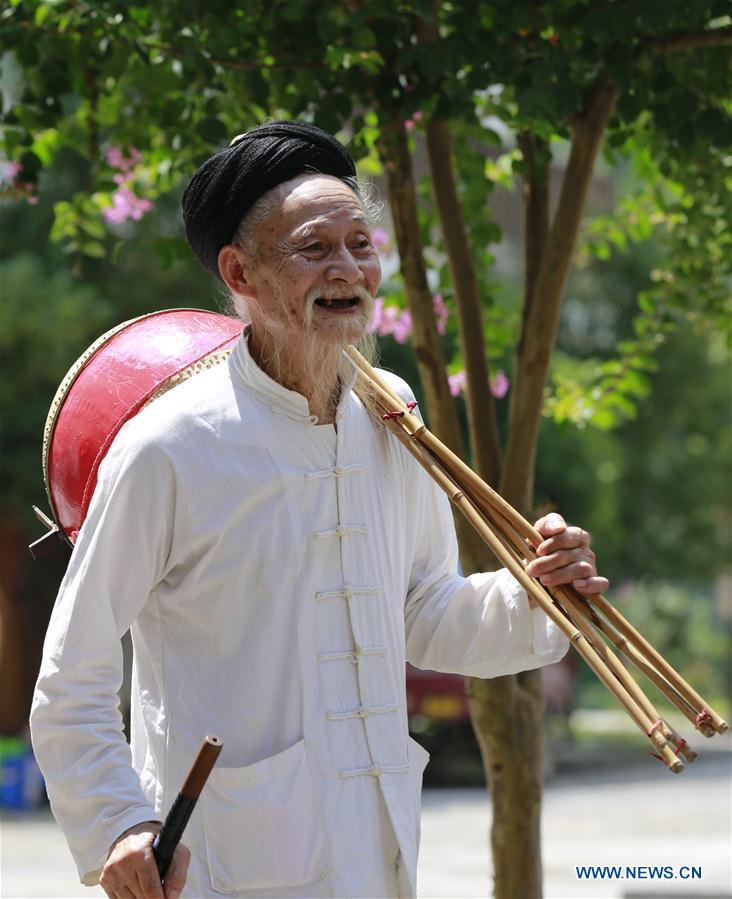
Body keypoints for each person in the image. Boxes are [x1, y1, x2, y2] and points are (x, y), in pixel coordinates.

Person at [31, 121, 608, 899]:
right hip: (221, 863)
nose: (348, 268)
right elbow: (73, 671)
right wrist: (119, 824)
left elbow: (424, 608)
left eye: (361, 244)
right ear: (242, 271)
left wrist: (539, 593)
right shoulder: (170, 444)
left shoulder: (393, 412)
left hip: (376, 849)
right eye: (315, 248)